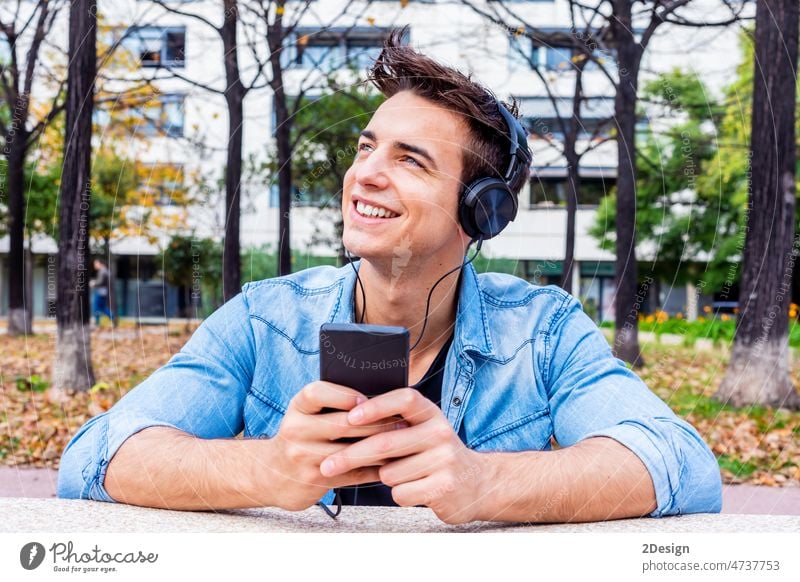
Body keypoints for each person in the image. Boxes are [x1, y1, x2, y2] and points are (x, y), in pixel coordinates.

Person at [57, 31, 722, 525]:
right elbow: (94, 456)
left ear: (480, 212)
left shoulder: (542, 330)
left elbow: (681, 465)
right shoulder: (265, 318)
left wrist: (482, 482)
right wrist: (266, 470)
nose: (364, 174)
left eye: (410, 160)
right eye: (367, 147)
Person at [89, 259, 114, 327]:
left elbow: (100, 282)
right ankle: (113, 318)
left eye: (96, 264)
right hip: (104, 292)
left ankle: (96, 323)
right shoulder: (106, 271)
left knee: (96, 307)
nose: (95, 265)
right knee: (102, 308)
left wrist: (93, 283)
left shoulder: (102, 271)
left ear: (100, 263)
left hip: (100, 292)